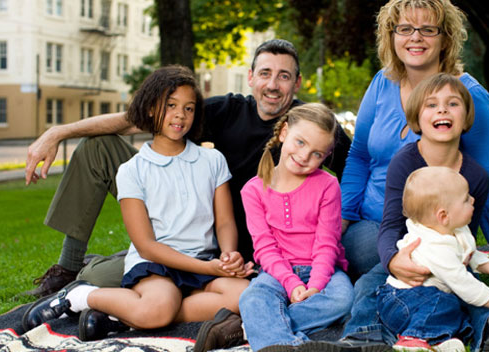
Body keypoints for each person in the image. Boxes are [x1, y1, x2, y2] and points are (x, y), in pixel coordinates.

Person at [22, 39, 351, 297]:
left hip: (242, 248)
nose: (273, 85)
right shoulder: (225, 110)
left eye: (284, 76)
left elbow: (354, 171)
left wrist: (336, 224)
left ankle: (104, 267)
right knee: (96, 147)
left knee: (99, 279)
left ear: (297, 82)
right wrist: (58, 132)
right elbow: (134, 119)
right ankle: (66, 269)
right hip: (189, 219)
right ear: (251, 77)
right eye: (265, 73)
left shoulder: (308, 128)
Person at [331, 1, 489, 350]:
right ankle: (388, 334)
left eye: (428, 29)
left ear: (445, 37)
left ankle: (483, 331)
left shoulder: (468, 98)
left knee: (440, 269)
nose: (416, 38)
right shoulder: (382, 84)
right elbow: (359, 155)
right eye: (405, 29)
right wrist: (343, 223)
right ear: (391, 36)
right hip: (375, 227)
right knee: (426, 267)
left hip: (437, 228)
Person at [22, 65, 251, 341]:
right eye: (170, 105)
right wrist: (209, 269)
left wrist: (227, 256)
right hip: (156, 266)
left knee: (247, 297)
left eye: (189, 108)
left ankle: (122, 316)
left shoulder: (213, 160)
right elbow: (146, 246)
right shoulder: (132, 170)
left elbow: (225, 221)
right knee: (158, 307)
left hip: (203, 262)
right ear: (151, 109)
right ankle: (80, 296)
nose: (180, 114)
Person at [196, 103, 354, 352]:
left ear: (326, 156)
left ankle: (249, 328)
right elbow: (265, 248)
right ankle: (290, 345)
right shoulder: (253, 190)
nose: (304, 157)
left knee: (343, 299)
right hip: (277, 271)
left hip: (323, 270)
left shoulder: (328, 185)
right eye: (300, 142)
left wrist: (315, 285)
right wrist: (291, 284)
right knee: (252, 298)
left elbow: (327, 243)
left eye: (317, 154)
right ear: (283, 133)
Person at [377, 166, 489, 352]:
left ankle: (442, 341)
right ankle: (413, 340)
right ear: (444, 216)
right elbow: (462, 282)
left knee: (451, 308)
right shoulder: (434, 246)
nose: (473, 199)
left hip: (422, 298)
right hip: (402, 301)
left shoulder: (455, 229)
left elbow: (469, 253)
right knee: (444, 303)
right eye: (466, 199)